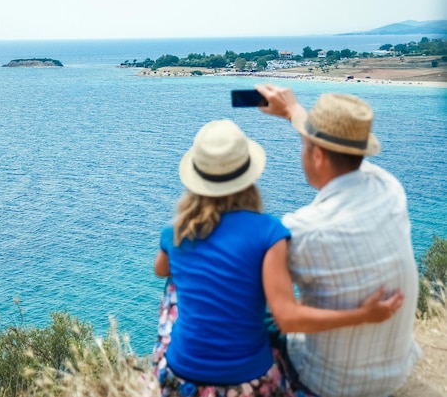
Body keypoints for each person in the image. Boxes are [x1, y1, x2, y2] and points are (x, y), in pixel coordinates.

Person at [151, 119, 403, 397]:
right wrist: (364, 315)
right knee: (264, 301)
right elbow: (288, 319)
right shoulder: (268, 232)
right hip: (248, 385)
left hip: (180, 380)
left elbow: (161, 270)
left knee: (174, 285)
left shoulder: (175, 232)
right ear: (248, 176)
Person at [254, 84, 421, 397]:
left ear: (317, 155)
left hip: (330, 384)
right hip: (398, 371)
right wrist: (293, 111)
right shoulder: (389, 188)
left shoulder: (301, 230)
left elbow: (286, 319)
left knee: (259, 310)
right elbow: (336, 150)